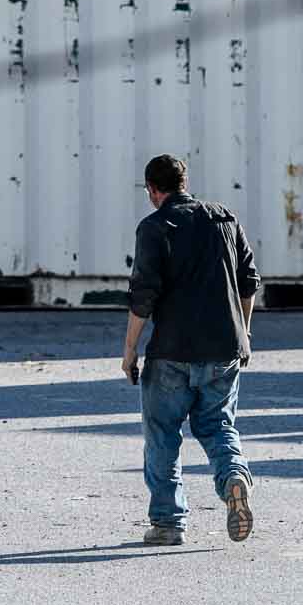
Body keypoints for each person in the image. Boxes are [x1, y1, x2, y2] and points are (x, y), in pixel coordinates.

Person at [122, 154, 262, 546]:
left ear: (152, 189)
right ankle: (233, 477)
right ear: (184, 183)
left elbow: (143, 296)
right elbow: (249, 282)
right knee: (218, 426)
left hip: (172, 352)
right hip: (224, 348)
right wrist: (245, 334)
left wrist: (130, 350)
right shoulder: (224, 218)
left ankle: (168, 523)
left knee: (163, 434)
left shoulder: (155, 227)